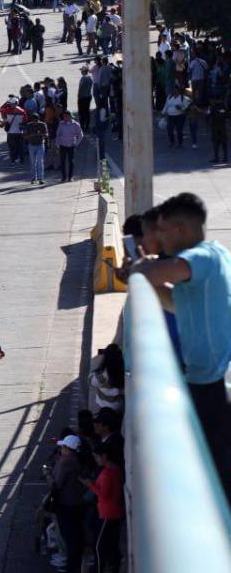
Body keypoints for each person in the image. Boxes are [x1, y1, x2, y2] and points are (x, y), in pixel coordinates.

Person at [130, 192, 231, 502]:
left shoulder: (202, 257)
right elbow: (175, 303)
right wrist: (144, 275)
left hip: (208, 387)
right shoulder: (208, 259)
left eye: (161, 230)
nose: (157, 237)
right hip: (204, 381)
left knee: (215, 478)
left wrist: (140, 266)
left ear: (181, 229)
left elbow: (156, 272)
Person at [82, 443, 125, 573]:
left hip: (107, 513)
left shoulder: (107, 472)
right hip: (114, 512)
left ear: (104, 456)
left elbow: (104, 494)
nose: (96, 460)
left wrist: (90, 485)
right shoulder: (116, 469)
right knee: (112, 544)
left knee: (99, 545)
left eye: (97, 457)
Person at [51, 435, 88, 573]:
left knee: (69, 537)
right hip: (78, 502)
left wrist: (48, 474)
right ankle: (77, 563)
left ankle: (72, 566)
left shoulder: (66, 462)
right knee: (77, 535)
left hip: (66, 504)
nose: (61, 449)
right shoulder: (78, 460)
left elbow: (57, 483)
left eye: (63, 447)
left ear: (67, 449)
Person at [89, 343, 125, 414]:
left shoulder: (103, 375)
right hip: (119, 405)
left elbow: (90, 380)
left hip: (105, 405)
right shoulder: (123, 371)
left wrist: (99, 367)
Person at [23, 106, 48, 185]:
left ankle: (41, 179)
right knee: (33, 162)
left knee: (40, 162)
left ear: (38, 119)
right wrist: (32, 135)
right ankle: (33, 178)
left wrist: (41, 134)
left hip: (40, 145)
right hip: (32, 145)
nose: (35, 122)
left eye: (36, 120)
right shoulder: (28, 125)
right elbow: (25, 136)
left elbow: (46, 135)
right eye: (34, 120)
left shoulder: (42, 124)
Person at [55, 110, 83, 182]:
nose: (65, 118)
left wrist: (76, 143)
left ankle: (70, 177)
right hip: (62, 145)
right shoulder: (61, 124)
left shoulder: (75, 124)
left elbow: (80, 135)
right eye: (64, 116)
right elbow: (58, 135)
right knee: (62, 161)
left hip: (71, 145)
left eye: (66, 116)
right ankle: (64, 177)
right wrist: (57, 145)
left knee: (71, 162)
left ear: (70, 116)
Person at [0, 96, 26, 165]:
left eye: (10, 103)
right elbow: (25, 120)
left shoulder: (8, 111)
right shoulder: (22, 111)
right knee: (20, 147)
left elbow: (0, 109)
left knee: (12, 148)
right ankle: (21, 161)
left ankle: (13, 161)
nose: (9, 104)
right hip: (19, 132)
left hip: (11, 132)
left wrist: (6, 102)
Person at [210, 96, 229, 163]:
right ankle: (225, 157)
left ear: (216, 100)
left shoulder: (213, 107)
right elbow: (227, 116)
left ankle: (216, 158)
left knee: (216, 143)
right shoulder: (224, 107)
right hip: (223, 126)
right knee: (224, 143)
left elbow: (210, 116)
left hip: (215, 127)